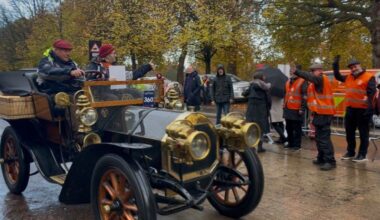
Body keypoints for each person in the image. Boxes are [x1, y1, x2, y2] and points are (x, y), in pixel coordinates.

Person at [291, 63, 336, 171]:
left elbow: (310, 78)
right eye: (310, 71)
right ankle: (321, 158)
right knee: (319, 138)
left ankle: (330, 161)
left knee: (324, 139)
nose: (311, 73)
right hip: (319, 113)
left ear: (319, 70)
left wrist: (297, 72)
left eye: (313, 71)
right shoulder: (315, 82)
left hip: (324, 113)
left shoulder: (320, 78)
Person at [333, 56, 377, 162]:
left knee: (363, 134)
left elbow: (372, 94)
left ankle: (362, 154)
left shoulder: (369, 77)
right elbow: (338, 76)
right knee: (349, 133)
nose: (353, 69)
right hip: (350, 109)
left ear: (359, 65)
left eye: (355, 66)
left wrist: (370, 109)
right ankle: (350, 152)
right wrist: (335, 65)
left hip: (363, 110)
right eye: (351, 67)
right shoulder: (349, 77)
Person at [87, 44, 155, 81]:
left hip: (115, 94)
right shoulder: (94, 66)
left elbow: (131, 75)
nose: (115, 55)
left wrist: (147, 67)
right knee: (113, 97)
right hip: (100, 98)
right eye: (114, 53)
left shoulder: (114, 68)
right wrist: (107, 80)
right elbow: (89, 81)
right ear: (106, 56)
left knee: (136, 93)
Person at [243, 70, 271, 153]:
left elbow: (244, 94)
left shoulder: (251, 85)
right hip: (261, 110)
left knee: (251, 128)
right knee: (260, 129)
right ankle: (260, 147)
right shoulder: (265, 87)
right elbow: (268, 100)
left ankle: (251, 147)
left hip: (251, 110)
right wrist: (268, 108)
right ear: (261, 78)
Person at [283, 69, 308, 151]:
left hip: (297, 109)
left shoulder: (302, 81)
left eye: (293, 72)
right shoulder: (288, 82)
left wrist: (302, 108)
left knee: (297, 129)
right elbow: (286, 94)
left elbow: (305, 96)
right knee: (288, 127)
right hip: (288, 108)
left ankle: (297, 145)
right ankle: (290, 143)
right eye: (290, 72)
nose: (291, 73)